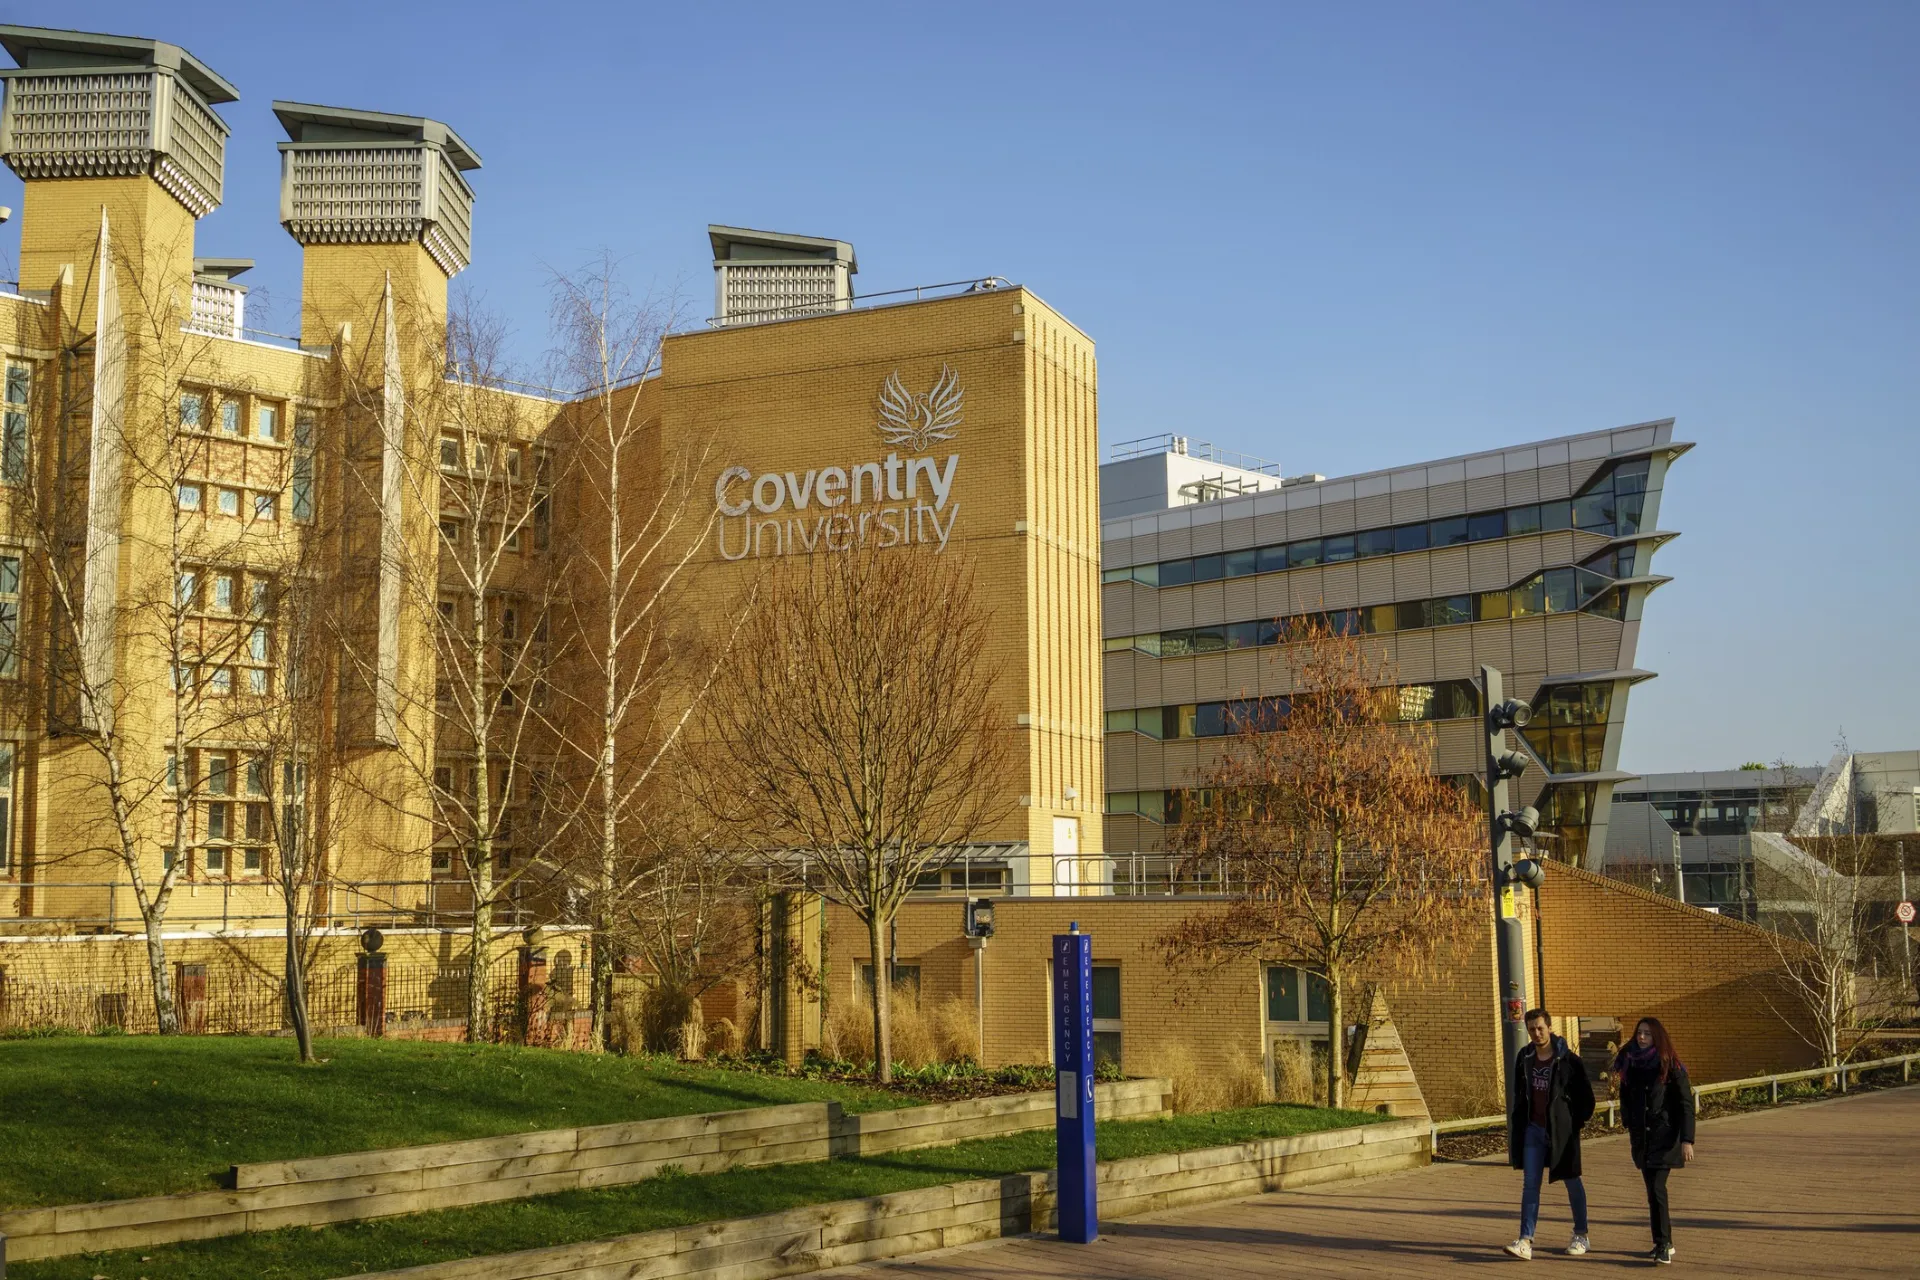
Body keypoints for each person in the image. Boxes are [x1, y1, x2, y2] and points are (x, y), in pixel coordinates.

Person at [1504, 1008, 1595, 1260]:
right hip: (1533, 1130)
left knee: (1571, 1180)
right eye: (1532, 1029)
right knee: (1530, 1185)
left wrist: (1571, 1124)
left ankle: (1581, 1234)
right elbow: (1519, 1096)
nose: (1536, 1033)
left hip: (1561, 1134)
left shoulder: (1569, 1060)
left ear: (1550, 1027)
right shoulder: (1525, 1057)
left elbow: (1587, 1100)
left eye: (1540, 1028)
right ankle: (1525, 1240)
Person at [1613, 1016, 1696, 1265]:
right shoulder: (1629, 1063)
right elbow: (1625, 1097)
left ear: (1657, 1037)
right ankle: (1661, 1242)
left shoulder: (1671, 1065)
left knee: (1657, 1189)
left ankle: (1664, 1244)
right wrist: (1628, 1121)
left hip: (1664, 1136)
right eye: (1639, 1033)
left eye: (1647, 1034)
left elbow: (1685, 1104)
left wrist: (1687, 1139)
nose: (1641, 1037)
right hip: (1642, 1138)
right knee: (1652, 1192)